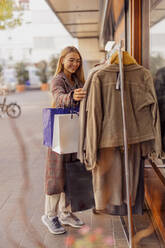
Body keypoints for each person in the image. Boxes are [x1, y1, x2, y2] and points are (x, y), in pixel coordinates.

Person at [42, 46, 86, 235]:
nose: (75, 64)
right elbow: (58, 97)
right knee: (56, 176)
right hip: (59, 134)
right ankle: (49, 215)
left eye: (77, 60)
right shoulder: (58, 79)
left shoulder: (77, 79)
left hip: (74, 132)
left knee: (71, 173)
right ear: (62, 60)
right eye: (71, 60)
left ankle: (65, 213)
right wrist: (71, 96)